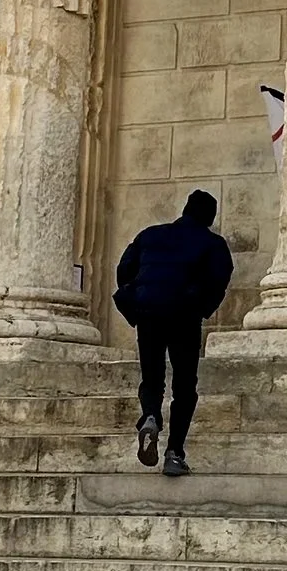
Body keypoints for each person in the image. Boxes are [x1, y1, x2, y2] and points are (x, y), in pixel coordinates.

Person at [112, 189, 233, 478]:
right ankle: (174, 453)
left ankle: (151, 415)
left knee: (152, 378)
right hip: (184, 316)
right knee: (184, 387)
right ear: (209, 217)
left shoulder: (150, 235)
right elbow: (219, 279)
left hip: (148, 314)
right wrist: (201, 306)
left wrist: (140, 296)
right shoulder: (212, 243)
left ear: (185, 210)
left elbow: (124, 268)